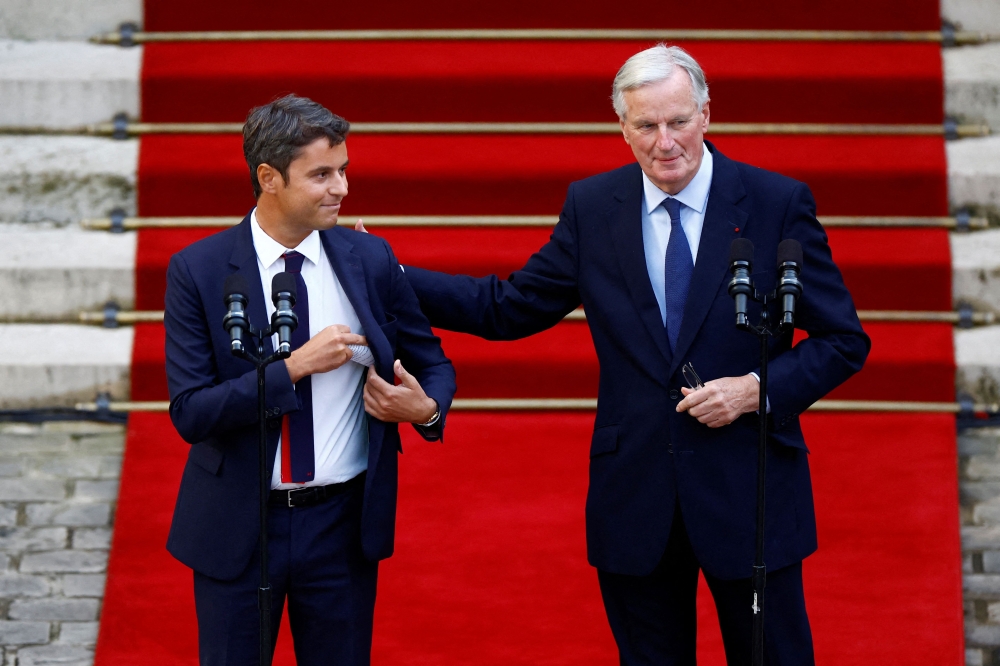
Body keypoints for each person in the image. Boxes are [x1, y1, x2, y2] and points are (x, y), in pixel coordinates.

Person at [392, 45, 870, 664]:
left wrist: (756, 389)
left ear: (705, 114)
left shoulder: (775, 202)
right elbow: (508, 308)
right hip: (637, 495)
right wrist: (389, 276)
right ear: (622, 127)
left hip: (749, 489)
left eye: (678, 121)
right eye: (646, 125)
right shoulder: (594, 207)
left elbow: (842, 340)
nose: (664, 142)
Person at [163, 94, 456, 666]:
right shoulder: (198, 270)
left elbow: (434, 364)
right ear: (268, 178)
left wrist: (425, 411)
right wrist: (292, 368)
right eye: (322, 174)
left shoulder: (370, 258)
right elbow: (191, 412)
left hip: (342, 529)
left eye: (343, 170)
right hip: (239, 526)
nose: (341, 188)